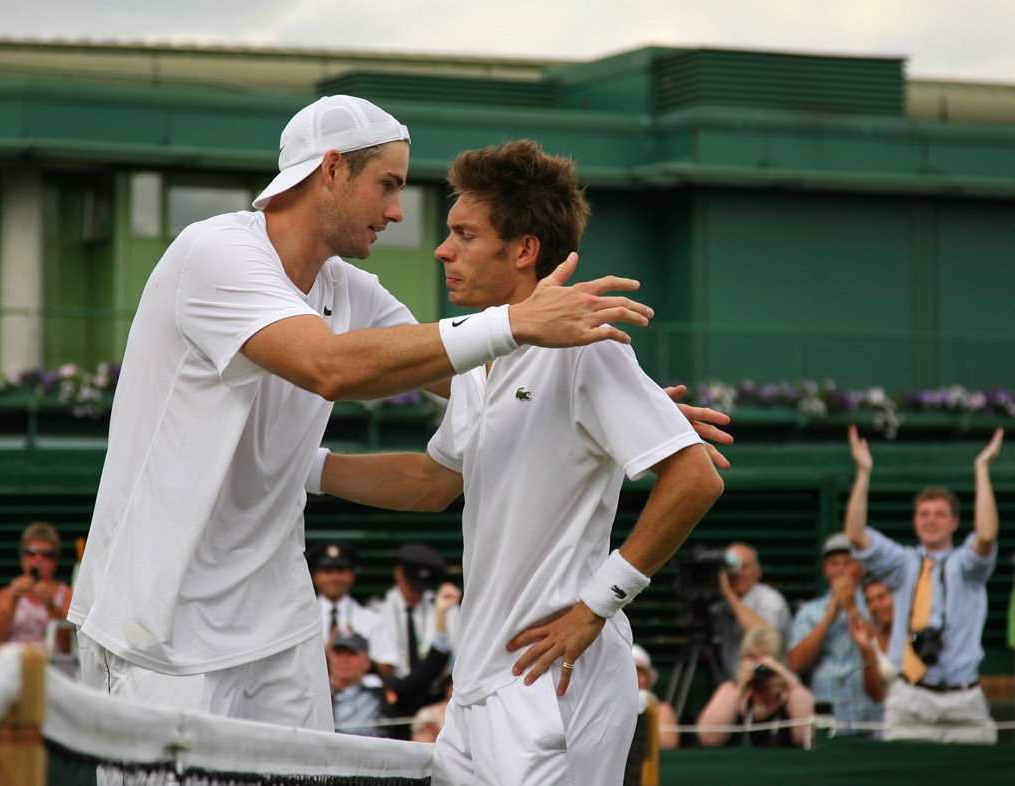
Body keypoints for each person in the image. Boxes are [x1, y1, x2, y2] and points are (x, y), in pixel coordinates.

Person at [68, 94, 655, 731]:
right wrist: (513, 320)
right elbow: (331, 368)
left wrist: (627, 406)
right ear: (331, 170)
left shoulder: (348, 287)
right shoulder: (213, 253)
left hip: (278, 626)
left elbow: (472, 376)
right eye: (388, 185)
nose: (398, 212)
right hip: (156, 626)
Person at [316, 139, 725, 784]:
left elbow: (695, 475)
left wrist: (597, 606)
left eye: (463, 233)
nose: (442, 250)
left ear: (524, 250)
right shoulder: (480, 358)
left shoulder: (589, 350)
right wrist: (300, 470)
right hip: (478, 687)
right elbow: (431, 483)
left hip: (555, 679)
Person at [844, 425, 1003, 744]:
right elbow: (856, 536)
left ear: (954, 522)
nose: (931, 520)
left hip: (963, 701)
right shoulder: (903, 563)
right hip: (910, 697)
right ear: (915, 521)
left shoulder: (966, 566)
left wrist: (981, 468)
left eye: (940, 514)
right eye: (924, 514)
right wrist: (863, 473)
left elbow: (986, 536)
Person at [331, 584, 460, 738]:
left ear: (366, 660)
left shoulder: (384, 689)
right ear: (329, 657)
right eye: (339, 654)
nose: (344, 660)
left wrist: (441, 616)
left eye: (352, 654)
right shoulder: (316, 689)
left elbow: (421, 679)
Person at [787, 532, 881, 734]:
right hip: (827, 718)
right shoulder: (809, 612)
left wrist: (851, 607)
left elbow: (882, 644)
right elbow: (796, 663)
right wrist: (829, 617)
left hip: (869, 717)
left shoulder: (876, 605)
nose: (841, 570)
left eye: (848, 563)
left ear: (861, 568)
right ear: (825, 569)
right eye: (834, 564)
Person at [697, 625, 815, 748]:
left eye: (764, 660)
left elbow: (806, 739)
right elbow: (709, 739)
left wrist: (789, 680)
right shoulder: (730, 690)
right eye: (752, 659)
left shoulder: (791, 693)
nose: (759, 667)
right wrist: (739, 690)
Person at [308, 541, 397, 669]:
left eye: (341, 570)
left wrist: (356, 655)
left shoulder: (372, 620)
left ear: (352, 576)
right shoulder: (301, 620)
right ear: (315, 576)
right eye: (327, 571)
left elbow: (388, 668)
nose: (335, 577)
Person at [0, 522, 73, 650]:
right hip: (12, 661)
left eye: (47, 554)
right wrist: (13, 599)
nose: (38, 559)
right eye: (31, 553)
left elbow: (70, 645)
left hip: (51, 662)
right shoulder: (6, 594)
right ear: (22, 557)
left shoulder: (67, 594)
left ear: (56, 560)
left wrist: (51, 606)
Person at [711, 542, 791, 681]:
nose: (738, 573)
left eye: (744, 567)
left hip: (768, 687)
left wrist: (729, 594)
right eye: (732, 567)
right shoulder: (721, 606)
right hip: (735, 689)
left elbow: (764, 633)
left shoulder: (769, 599)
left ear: (758, 572)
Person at [379, 543, 460, 680]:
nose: (415, 593)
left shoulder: (445, 609)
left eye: (421, 589)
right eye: (411, 586)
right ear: (399, 574)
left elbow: (456, 655)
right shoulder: (379, 610)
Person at [848, 577, 896, 706]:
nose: (875, 606)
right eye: (869, 602)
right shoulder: (873, 641)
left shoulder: (916, 632)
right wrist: (865, 648)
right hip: (893, 717)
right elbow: (876, 695)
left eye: (882, 598)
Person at [633, 644, 680, 749]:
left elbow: (667, 744)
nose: (634, 678)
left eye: (639, 672)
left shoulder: (662, 710)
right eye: (629, 671)